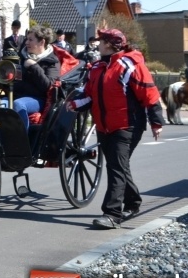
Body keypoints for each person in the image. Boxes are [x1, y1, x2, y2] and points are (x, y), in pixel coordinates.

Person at [67, 28, 163, 230]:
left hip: (127, 126)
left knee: (116, 167)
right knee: (118, 165)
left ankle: (112, 214)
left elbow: (150, 94)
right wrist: (75, 104)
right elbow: (89, 94)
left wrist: (156, 122)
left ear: (110, 45)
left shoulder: (130, 65)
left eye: (101, 41)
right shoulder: (96, 68)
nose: (97, 44)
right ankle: (133, 201)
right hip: (104, 126)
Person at [5, 25, 60, 131]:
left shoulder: (52, 61)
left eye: (30, 40)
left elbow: (47, 86)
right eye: (26, 39)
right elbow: (15, 83)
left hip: (38, 99)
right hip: (18, 95)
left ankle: (22, 143)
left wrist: (34, 66)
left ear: (42, 42)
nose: (26, 43)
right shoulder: (21, 57)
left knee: (18, 104)